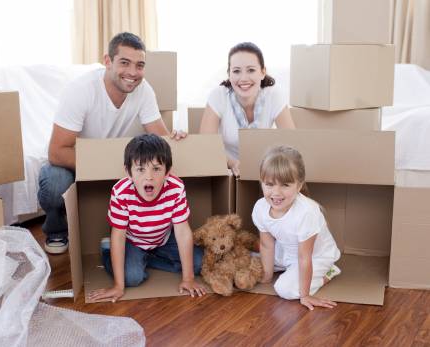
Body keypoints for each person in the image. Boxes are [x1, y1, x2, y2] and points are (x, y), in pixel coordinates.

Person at [38, 32, 184, 254]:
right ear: (107, 61)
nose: (133, 73)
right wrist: (102, 167)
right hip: (79, 165)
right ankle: (57, 229)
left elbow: (161, 141)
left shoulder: (143, 91)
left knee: (152, 174)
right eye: (125, 63)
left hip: (118, 166)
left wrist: (176, 137)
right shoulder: (81, 90)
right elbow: (57, 152)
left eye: (140, 65)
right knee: (54, 180)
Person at [88, 134, 205, 302]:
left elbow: (182, 231)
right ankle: (108, 251)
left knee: (199, 263)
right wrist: (118, 286)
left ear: (167, 172)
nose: (149, 177)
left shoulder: (176, 188)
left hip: (163, 239)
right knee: (132, 277)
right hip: (133, 240)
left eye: (156, 169)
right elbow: (119, 235)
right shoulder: (121, 192)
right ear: (128, 172)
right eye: (140, 169)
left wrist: (188, 279)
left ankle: (148, 259)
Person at [252, 145, 341, 311]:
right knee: (251, 263)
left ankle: (329, 271)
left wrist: (305, 295)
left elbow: (304, 257)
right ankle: (284, 270)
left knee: (284, 289)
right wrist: (266, 276)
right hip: (286, 250)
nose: (276, 193)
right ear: (261, 182)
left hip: (315, 256)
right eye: (269, 184)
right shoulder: (260, 208)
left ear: (299, 185)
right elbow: (267, 245)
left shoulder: (306, 213)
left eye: (285, 185)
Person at [199, 42, 295, 177]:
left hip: (264, 170)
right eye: (236, 71)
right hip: (226, 170)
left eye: (251, 70)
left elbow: (291, 144)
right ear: (229, 74)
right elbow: (206, 145)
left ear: (262, 72)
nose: (243, 78)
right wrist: (232, 163)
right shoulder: (219, 95)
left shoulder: (273, 95)